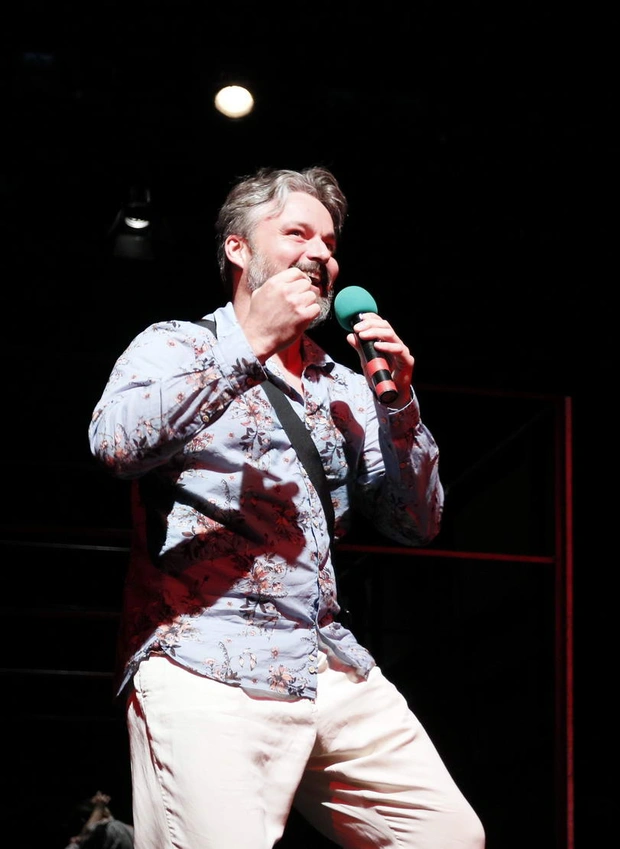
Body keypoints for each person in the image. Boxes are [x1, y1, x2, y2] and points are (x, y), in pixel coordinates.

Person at [87, 166, 484, 849]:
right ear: (238, 248)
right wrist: (247, 348)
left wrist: (399, 409)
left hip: (324, 659)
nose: (321, 253)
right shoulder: (176, 345)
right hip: (204, 659)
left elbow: (418, 522)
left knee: (447, 835)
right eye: (298, 233)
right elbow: (115, 444)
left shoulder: (345, 385)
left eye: (329, 243)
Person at [63, 791, 135, 849]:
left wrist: (99, 807)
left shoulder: (115, 828)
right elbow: (89, 831)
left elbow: (89, 831)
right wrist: (99, 807)